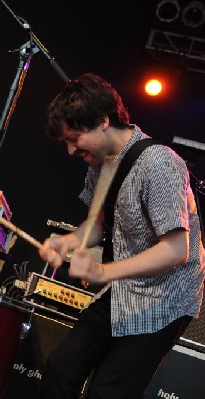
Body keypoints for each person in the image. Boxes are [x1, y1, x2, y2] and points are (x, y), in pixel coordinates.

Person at [38, 73, 205, 398]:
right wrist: (69, 241)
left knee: (108, 392)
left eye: (74, 138)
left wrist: (103, 271)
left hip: (167, 298)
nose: (70, 150)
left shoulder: (158, 164)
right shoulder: (99, 162)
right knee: (61, 368)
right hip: (126, 288)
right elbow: (98, 222)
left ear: (102, 121)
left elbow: (176, 250)